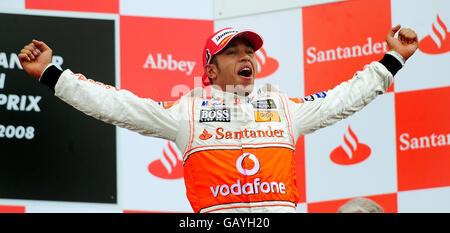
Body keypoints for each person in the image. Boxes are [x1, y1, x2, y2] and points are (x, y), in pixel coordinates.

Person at [18, 25, 418, 213]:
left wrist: (393, 58)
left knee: (362, 211)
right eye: (232, 51)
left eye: (249, 50)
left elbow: (343, 99)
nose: (246, 56)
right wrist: (53, 74)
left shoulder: (283, 107)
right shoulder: (187, 113)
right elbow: (117, 105)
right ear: (210, 72)